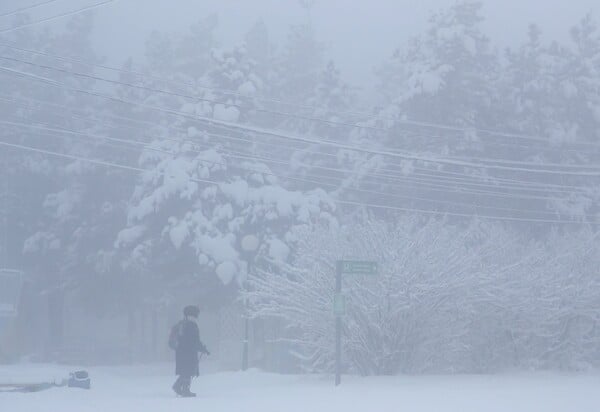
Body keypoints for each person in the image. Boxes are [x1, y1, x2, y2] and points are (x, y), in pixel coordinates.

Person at [171, 305, 209, 397]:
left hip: (181, 352)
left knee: (185, 371)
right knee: (189, 370)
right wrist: (203, 349)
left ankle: (179, 387)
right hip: (189, 352)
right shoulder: (191, 325)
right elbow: (194, 340)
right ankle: (184, 389)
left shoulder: (181, 324)